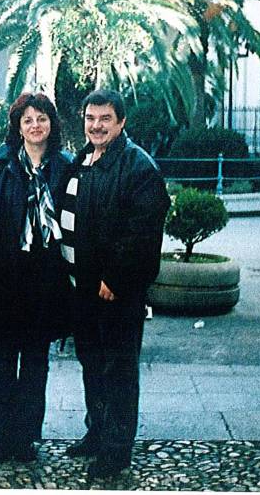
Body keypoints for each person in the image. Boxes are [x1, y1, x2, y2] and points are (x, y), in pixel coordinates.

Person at [58, 88, 170, 479]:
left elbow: (143, 231)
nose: (96, 125)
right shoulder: (83, 159)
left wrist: (117, 278)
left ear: (121, 122)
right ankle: (97, 432)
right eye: (91, 118)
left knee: (118, 372)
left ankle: (116, 450)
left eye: (105, 118)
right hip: (83, 288)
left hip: (114, 293)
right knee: (91, 364)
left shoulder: (138, 167)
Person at [0, 92, 73, 464]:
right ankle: (0, 435)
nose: (35, 125)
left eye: (41, 118)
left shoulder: (65, 167)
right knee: (2, 359)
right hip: (3, 277)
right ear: (18, 126)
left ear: (52, 124)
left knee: (36, 362)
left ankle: (25, 437)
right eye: (28, 120)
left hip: (45, 281)